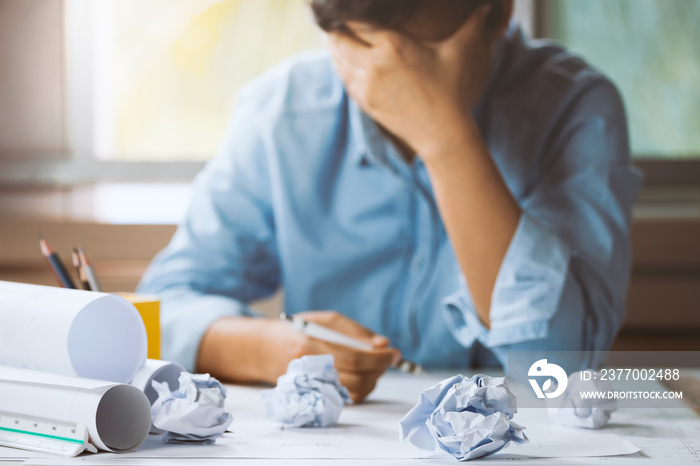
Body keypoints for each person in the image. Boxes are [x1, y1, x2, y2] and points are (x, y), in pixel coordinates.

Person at [138, 0, 641, 402]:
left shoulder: (575, 109)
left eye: (415, 60)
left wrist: (446, 139)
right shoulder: (280, 115)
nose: (385, 80)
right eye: (361, 48)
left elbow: (555, 368)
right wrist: (275, 348)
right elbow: (165, 307)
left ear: (498, 13)